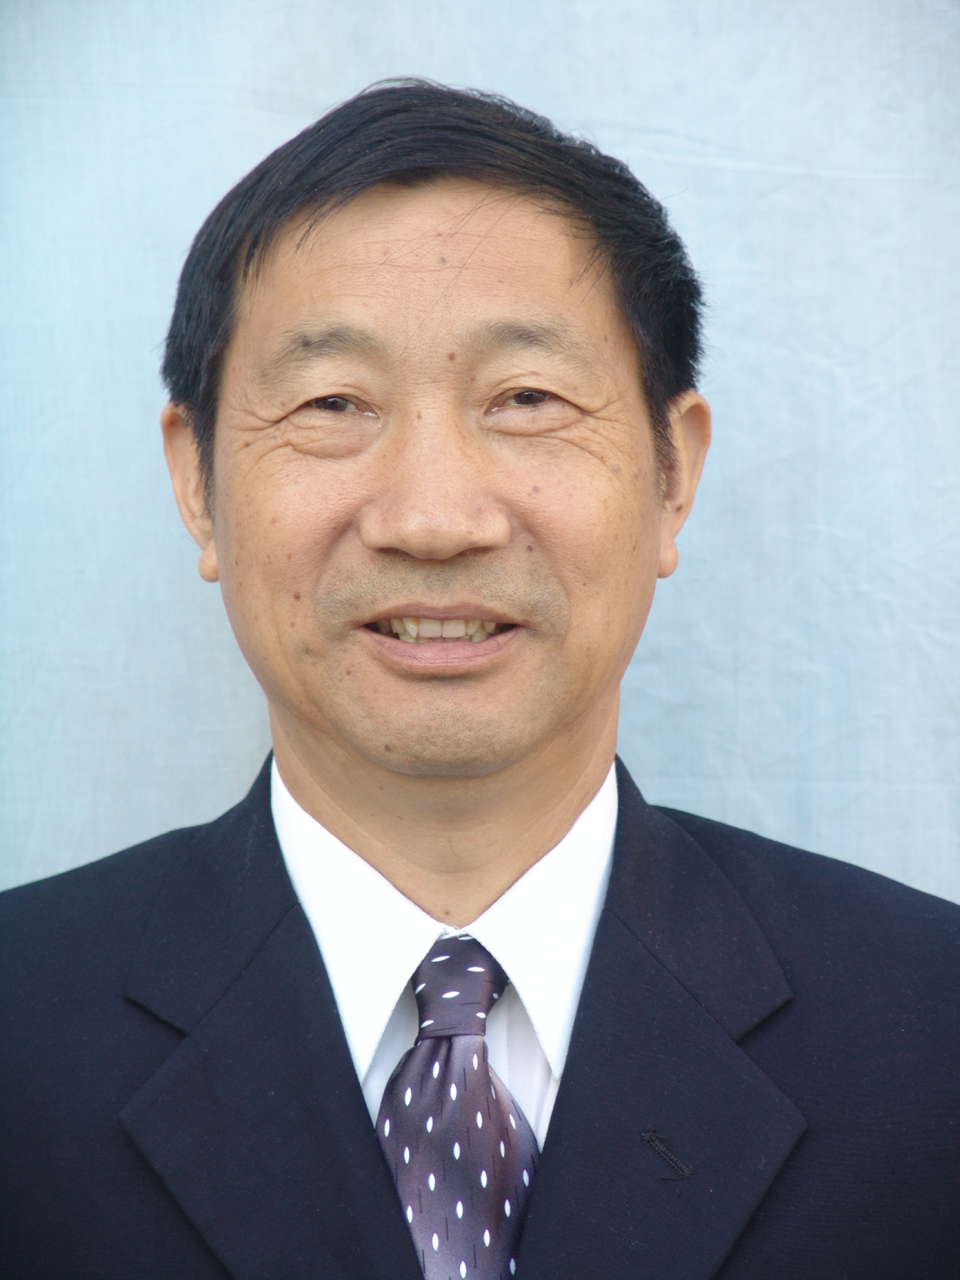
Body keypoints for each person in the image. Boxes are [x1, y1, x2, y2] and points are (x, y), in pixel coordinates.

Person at [1, 80, 958, 1280]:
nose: (435, 518)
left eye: (527, 400)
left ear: (673, 473)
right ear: (198, 484)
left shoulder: (930, 1025)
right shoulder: (20, 1025)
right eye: (333, 402)